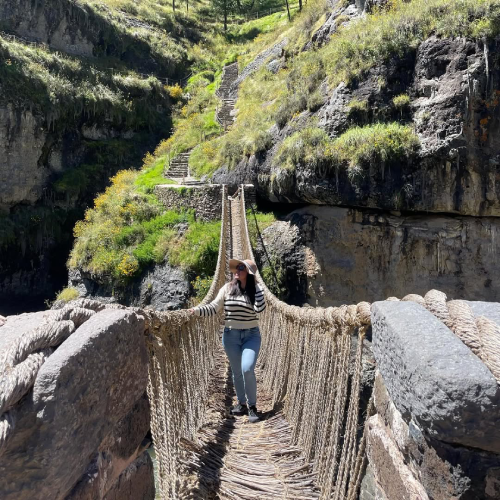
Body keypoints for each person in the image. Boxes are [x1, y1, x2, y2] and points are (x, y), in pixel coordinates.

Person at [189, 259, 266, 423]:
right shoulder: (227, 288)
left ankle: (252, 407)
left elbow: (260, 309)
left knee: (247, 369)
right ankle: (241, 404)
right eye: (236, 267)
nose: (236, 270)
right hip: (230, 336)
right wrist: (195, 311)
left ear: (249, 273)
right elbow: (214, 307)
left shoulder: (257, 289)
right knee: (237, 372)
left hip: (251, 335)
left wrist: (257, 288)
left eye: (241, 268)